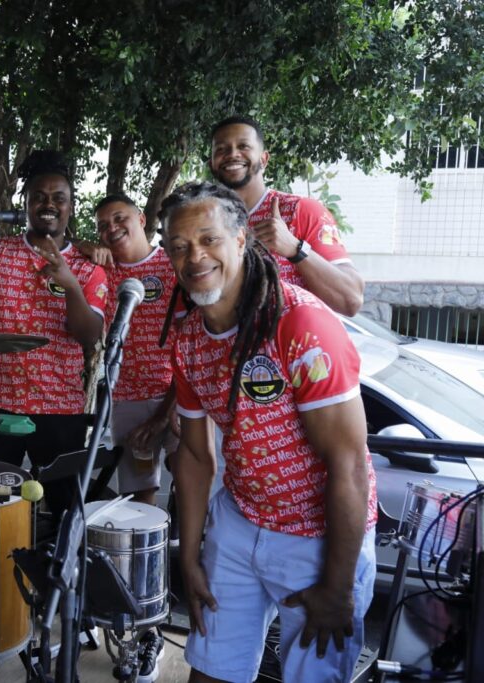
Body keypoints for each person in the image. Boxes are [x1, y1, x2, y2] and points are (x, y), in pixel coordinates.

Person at [161, 181, 377, 683]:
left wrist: (337, 586)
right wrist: (189, 556)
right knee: (209, 672)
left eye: (209, 239)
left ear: (241, 240)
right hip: (239, 520)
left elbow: (348, 463)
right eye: (179, 246)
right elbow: (194, 456)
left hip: (317, 536)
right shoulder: (189, 338)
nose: (195, 257)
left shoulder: (299, 323)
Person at [0, 150, 107, 524]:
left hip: (61, 407)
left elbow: (89, 336)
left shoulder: (88, 267)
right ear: (26, 203)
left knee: (66, 510)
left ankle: (58, 563)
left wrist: (70, 285)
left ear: (70, 206)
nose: (49, 205)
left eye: (58, 198)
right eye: (39, 197)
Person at [94, 193, 181, 681]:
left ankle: (201, 618)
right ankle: (146, 631)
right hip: (128, 402)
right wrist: (88, 248)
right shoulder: (104, 270)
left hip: (183, 400)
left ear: (142, 219)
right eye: (103, 224)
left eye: (120, 218)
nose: (112, 228)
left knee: (197, 511)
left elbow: (193, 342)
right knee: (140, 519)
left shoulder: (173, 264)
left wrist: (168, 412)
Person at [209, 115, 364, 316]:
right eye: (221, 149)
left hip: (293, 336)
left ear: (264, 159)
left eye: (243, 146)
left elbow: (351, 300)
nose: (232, 154)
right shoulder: (205, 221)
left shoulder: (301, 210)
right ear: (212, 163)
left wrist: (295, 249)